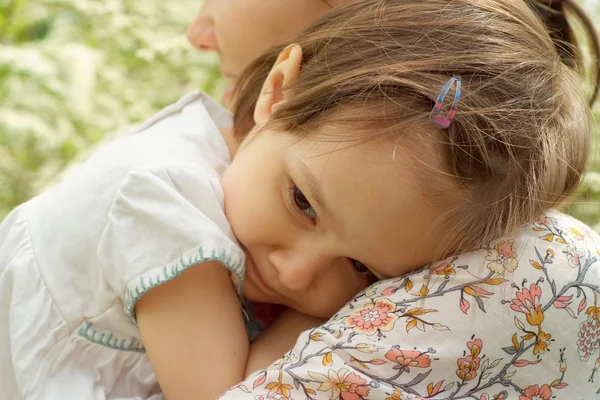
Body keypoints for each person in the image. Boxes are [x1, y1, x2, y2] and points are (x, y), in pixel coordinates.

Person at [0, 2, 594, 400]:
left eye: (362, 269)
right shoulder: (162, 203)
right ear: (279, 91)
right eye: (303, 204)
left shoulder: (274, 166)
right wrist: (316, 315)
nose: (297, 271)